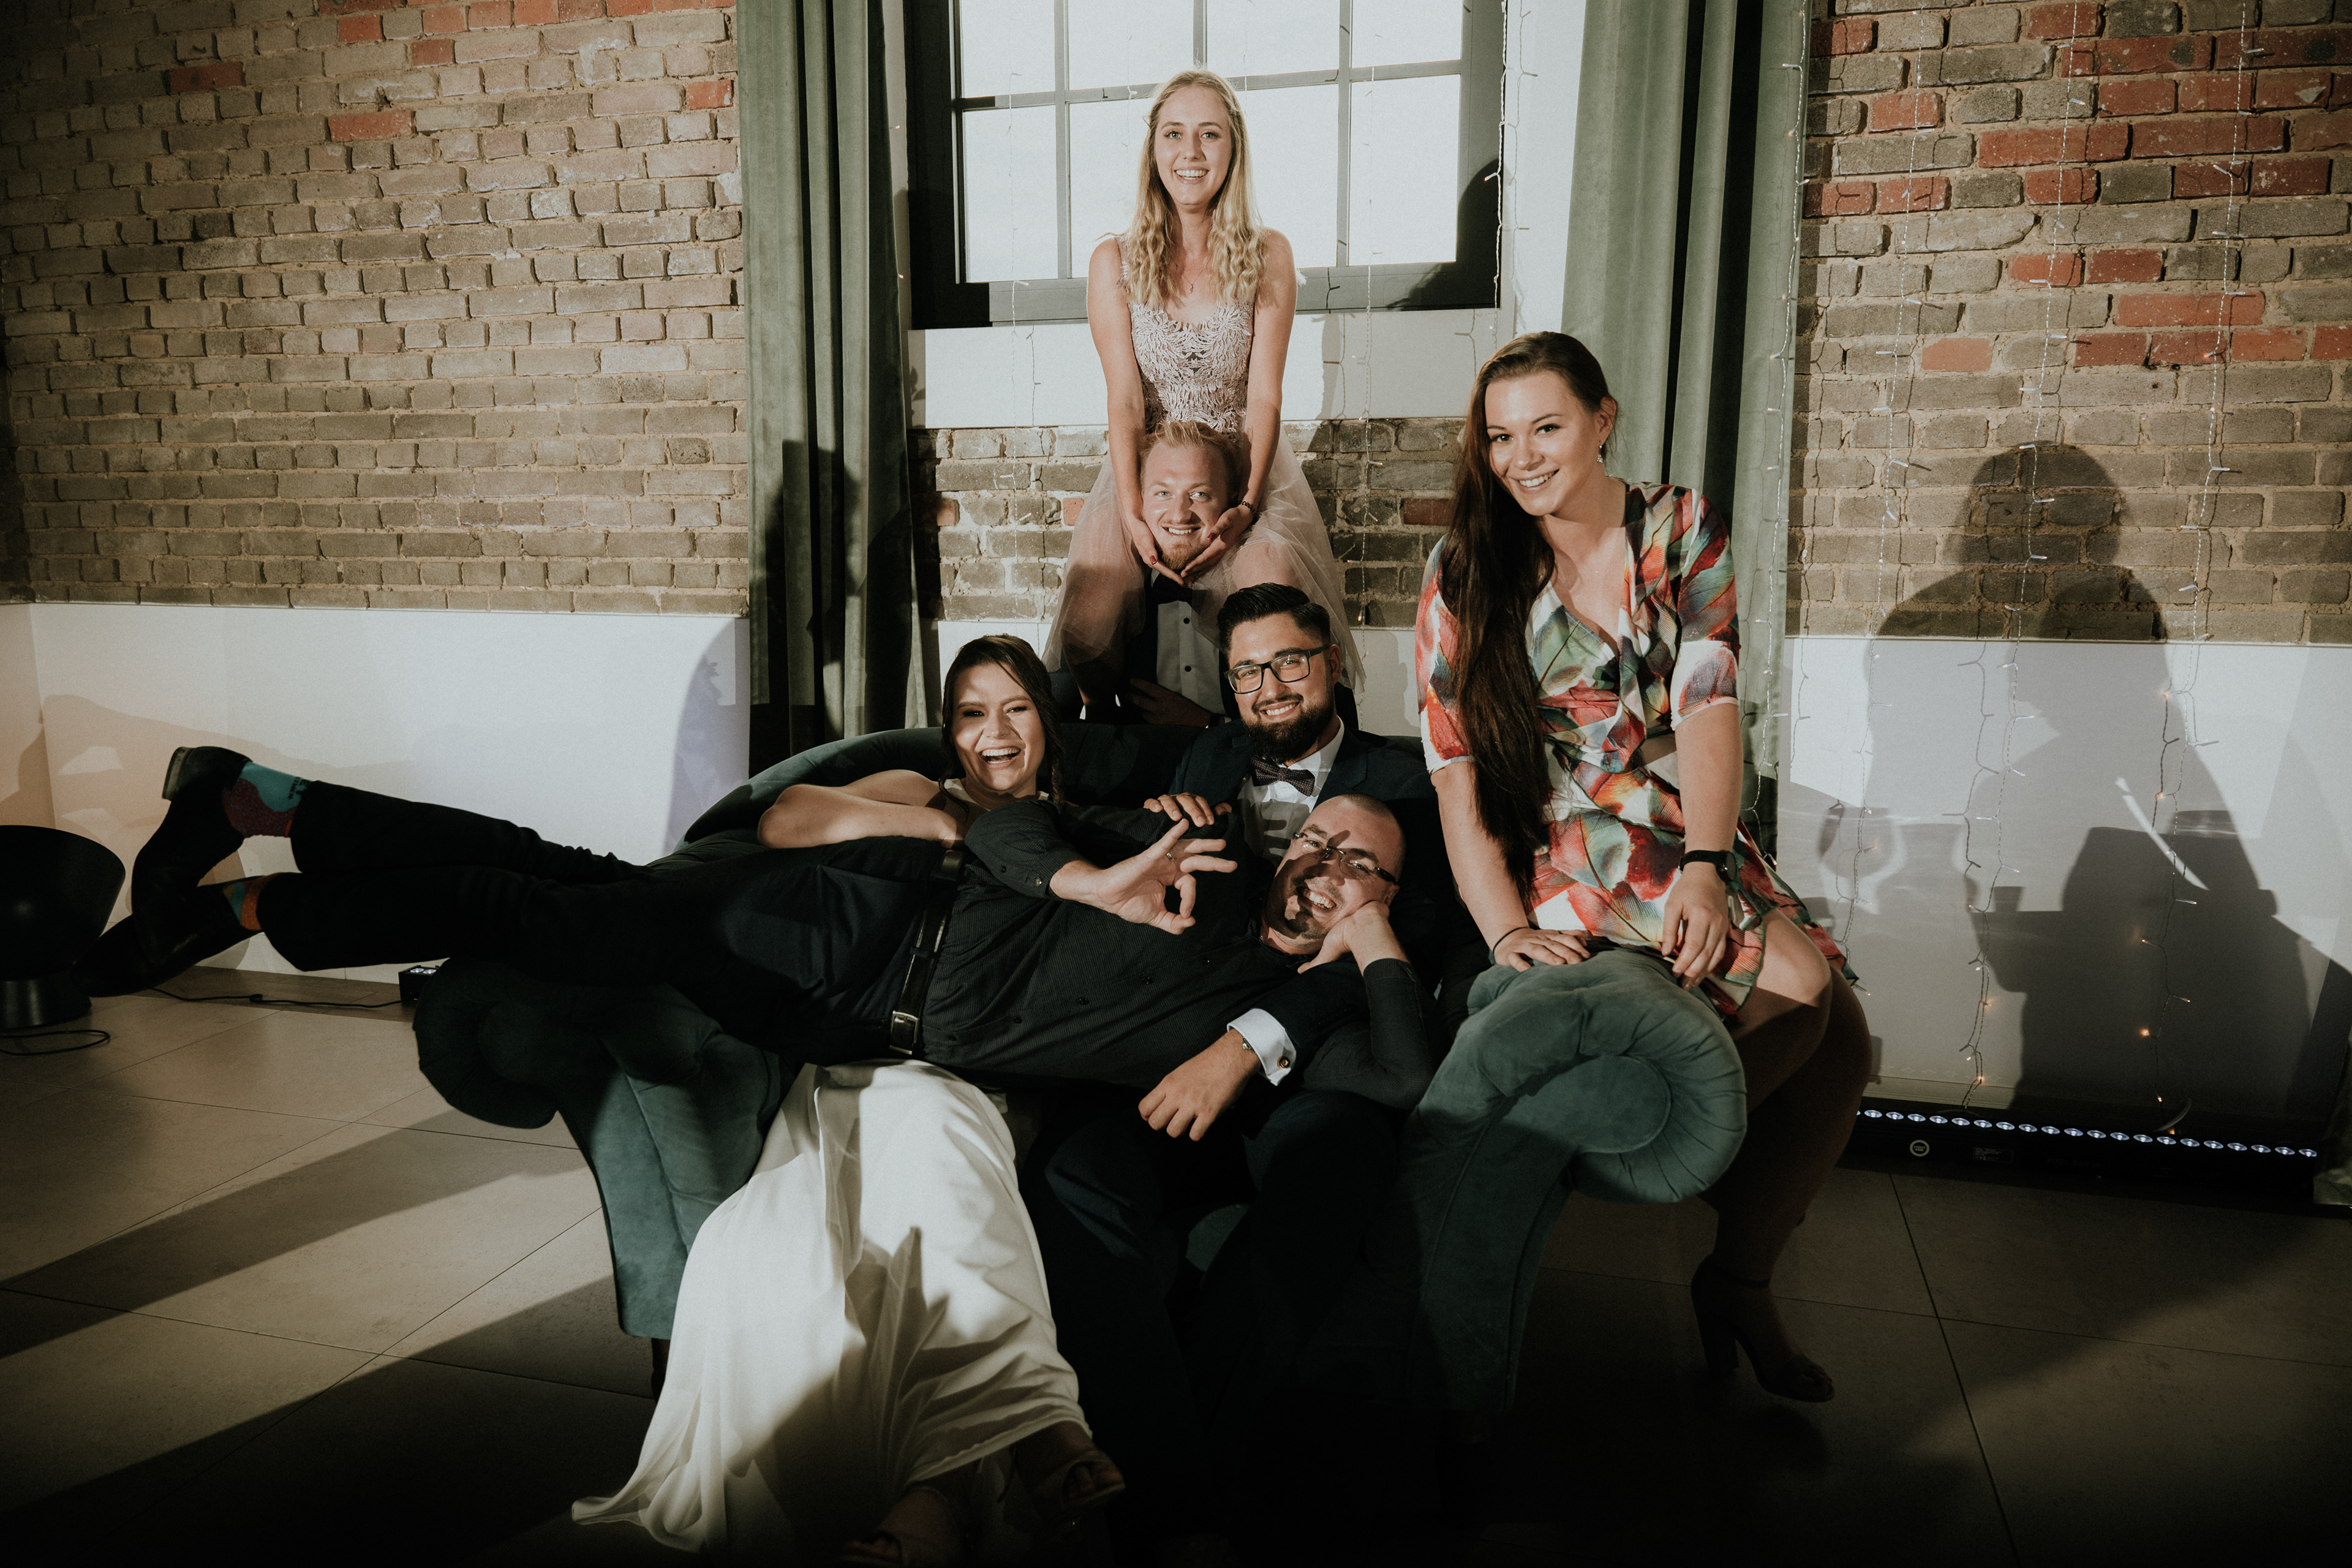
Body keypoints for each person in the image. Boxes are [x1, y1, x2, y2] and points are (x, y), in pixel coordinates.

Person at [1415, 331, 1872, 1403]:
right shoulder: (1467, 565)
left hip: (1679, 818)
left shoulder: (1677, 524)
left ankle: (1739, 1281)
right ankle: (1636, 1144)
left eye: (1546, 428)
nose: (1521, 458)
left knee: (1845, 1046)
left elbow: (1710, 706)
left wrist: (1709, 862)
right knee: (1798, 982)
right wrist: (1500, 927)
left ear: (1602, 421)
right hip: (1570, 838)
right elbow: (1454, 767)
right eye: (1499, 438)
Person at [1019, 586, 1456, 1568]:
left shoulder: (1410, 780)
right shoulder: (1205, 757)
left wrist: (1254, 1040)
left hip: (1326, 1060)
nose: (1270, 686)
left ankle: (1170, 1505)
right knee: (1073, 1174)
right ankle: (1177, 1500)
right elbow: (1070, 794)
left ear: (1333, 662)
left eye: (1290, 661)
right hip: (1187, 1043)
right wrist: (1144, 824)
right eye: (1248, 669)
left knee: (1330, 1169)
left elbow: (1417, 938)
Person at [1046, 67, 1359, 723]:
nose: (1190, 152)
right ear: (1153, 148)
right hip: (1148, 474)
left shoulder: (1268, 253)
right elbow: (1125, 401)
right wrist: (1133, 513)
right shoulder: (1113, 261)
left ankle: (1260, 744)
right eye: (1174, 133)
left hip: (1242, 465)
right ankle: (1117, 738)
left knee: (1276, 593)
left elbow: (1265, 396)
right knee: (1089, 622)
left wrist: (1246, 505)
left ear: (1233, 148)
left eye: (1209, 134)